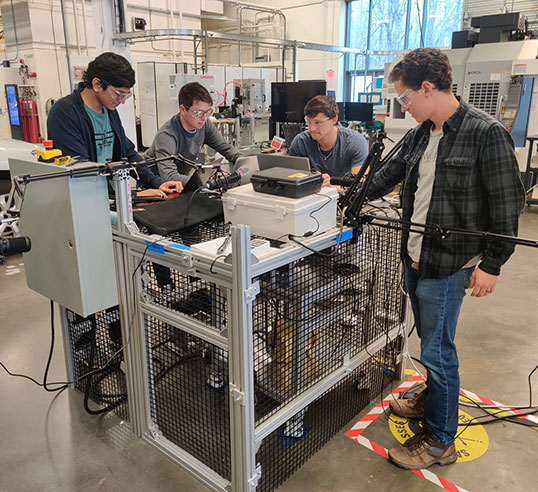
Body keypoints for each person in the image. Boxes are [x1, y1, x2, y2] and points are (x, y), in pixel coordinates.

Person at [365, 48, 525, 470]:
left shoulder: (485, 132)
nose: (403, 105)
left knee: (437, 352)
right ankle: (429, 403)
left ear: (428, 88)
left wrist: (492, 265)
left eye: (405, 98)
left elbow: (508, 206)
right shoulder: (422, 132)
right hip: (415, 257)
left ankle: (439, 442)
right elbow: (387, 175)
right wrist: (338, 191)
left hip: (449, 265)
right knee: (430, 343)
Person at [47, 52, 182, 198]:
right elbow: (83, 174)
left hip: (108, 196)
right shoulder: (65, 113)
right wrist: (134, 196)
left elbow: (127, 153)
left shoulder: (108, 110)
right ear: (97, 84)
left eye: (126, 95)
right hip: (82, 199)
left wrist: (157, 183)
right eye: (118, 93)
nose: (122, 101)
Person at [145, 82, 244, 184]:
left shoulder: (205, 125)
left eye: (207, 112)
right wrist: (205, 182)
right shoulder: (167, 135)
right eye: (198, 113)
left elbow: (225, 148)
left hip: (182, 182)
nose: (204, 118)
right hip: (156, 186)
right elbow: (170, 176)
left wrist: (243, 160)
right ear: (183, 109)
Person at [288, 95, 369, 186]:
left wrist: (331, 187)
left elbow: (359, 186)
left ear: (334, 119)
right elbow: (290, 179)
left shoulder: (355, 142)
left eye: (317, 123)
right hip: (311, 197)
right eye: (309, 122)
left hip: (344, 197)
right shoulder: (301, 142)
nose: (312, 128)